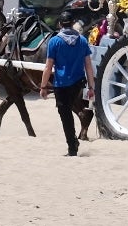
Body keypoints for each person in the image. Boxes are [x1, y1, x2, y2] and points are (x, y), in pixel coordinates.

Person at [39, 11, 95, 157]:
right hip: (77, 83)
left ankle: (72, 146)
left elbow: (48, 67)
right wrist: (91, 87)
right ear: (72, 24)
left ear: (59, 24)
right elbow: (88, 66)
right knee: (68, 111)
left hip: (61, 84)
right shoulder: (82, 40)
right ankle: (73, 143)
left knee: (65, 115)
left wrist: (43, 86)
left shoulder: (54, 42)